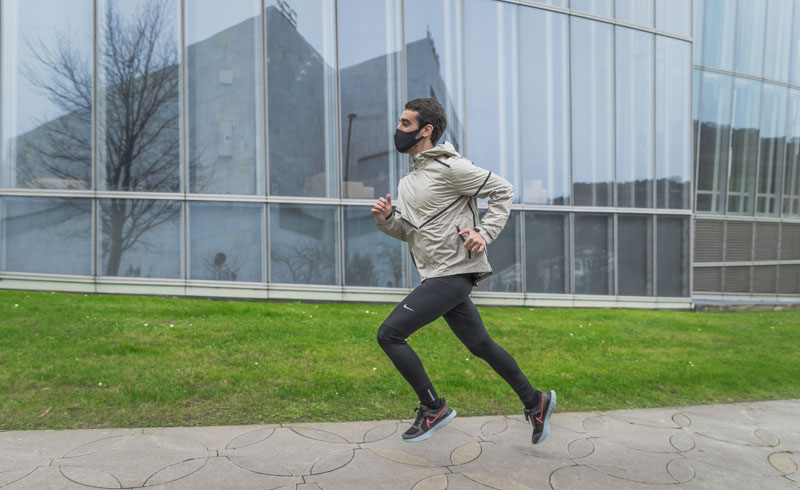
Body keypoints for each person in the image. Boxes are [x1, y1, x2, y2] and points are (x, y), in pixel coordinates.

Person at [371, 98, 556, 444]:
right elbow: (408, 232)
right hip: (436, 274)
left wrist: (484, 233)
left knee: (390, 334)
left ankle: (433, 407)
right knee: (481, 345)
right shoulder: (408, 182)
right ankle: (536, 401)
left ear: (426, 131)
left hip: (454, 273)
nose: (398, 130)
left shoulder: (451, 168)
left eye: (405, 124)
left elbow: (503, 190)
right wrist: (386, 220)